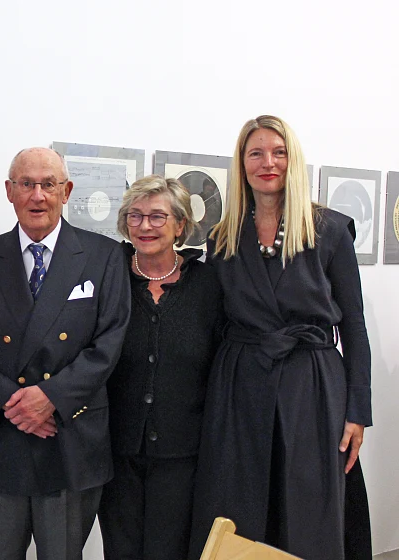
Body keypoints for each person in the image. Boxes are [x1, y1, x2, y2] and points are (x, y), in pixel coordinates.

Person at [189, 115, 371, 560]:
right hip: (241, 384)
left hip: (311, 385)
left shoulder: (329, 230)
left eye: (279, 152)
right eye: (256, 153)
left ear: (294, 160)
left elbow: (354, 325)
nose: (268, 162)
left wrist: (357, 411)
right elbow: (213, 324)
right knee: (240, 505)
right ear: (242, 163)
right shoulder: (222, 238)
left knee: (307, 507)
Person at [0, 147, 131, 560]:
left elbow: (108, 342)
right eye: (26, 184)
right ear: (9, 191)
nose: (37, 196)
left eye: (48, 184)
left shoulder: (103, 255)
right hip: (3, 436)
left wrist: (51, 400)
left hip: (69, 438)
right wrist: (14, 403)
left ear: (67, 190)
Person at [97, 175, 223, 560]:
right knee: (121, 551)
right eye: (135, 216)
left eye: (157, 216)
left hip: (184, 454)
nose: (145, 226)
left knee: (171, 551)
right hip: (115, 451)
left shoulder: (209, 284)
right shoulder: (110, 274)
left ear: (180, 225)